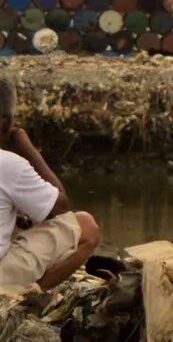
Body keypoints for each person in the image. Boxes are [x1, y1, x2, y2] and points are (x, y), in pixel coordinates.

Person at [0, 80, 100, 292]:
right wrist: (26, 148)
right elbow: (61, 208)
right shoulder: (8, 164)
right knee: (86, 225)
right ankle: (26, 301)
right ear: (6, 122)